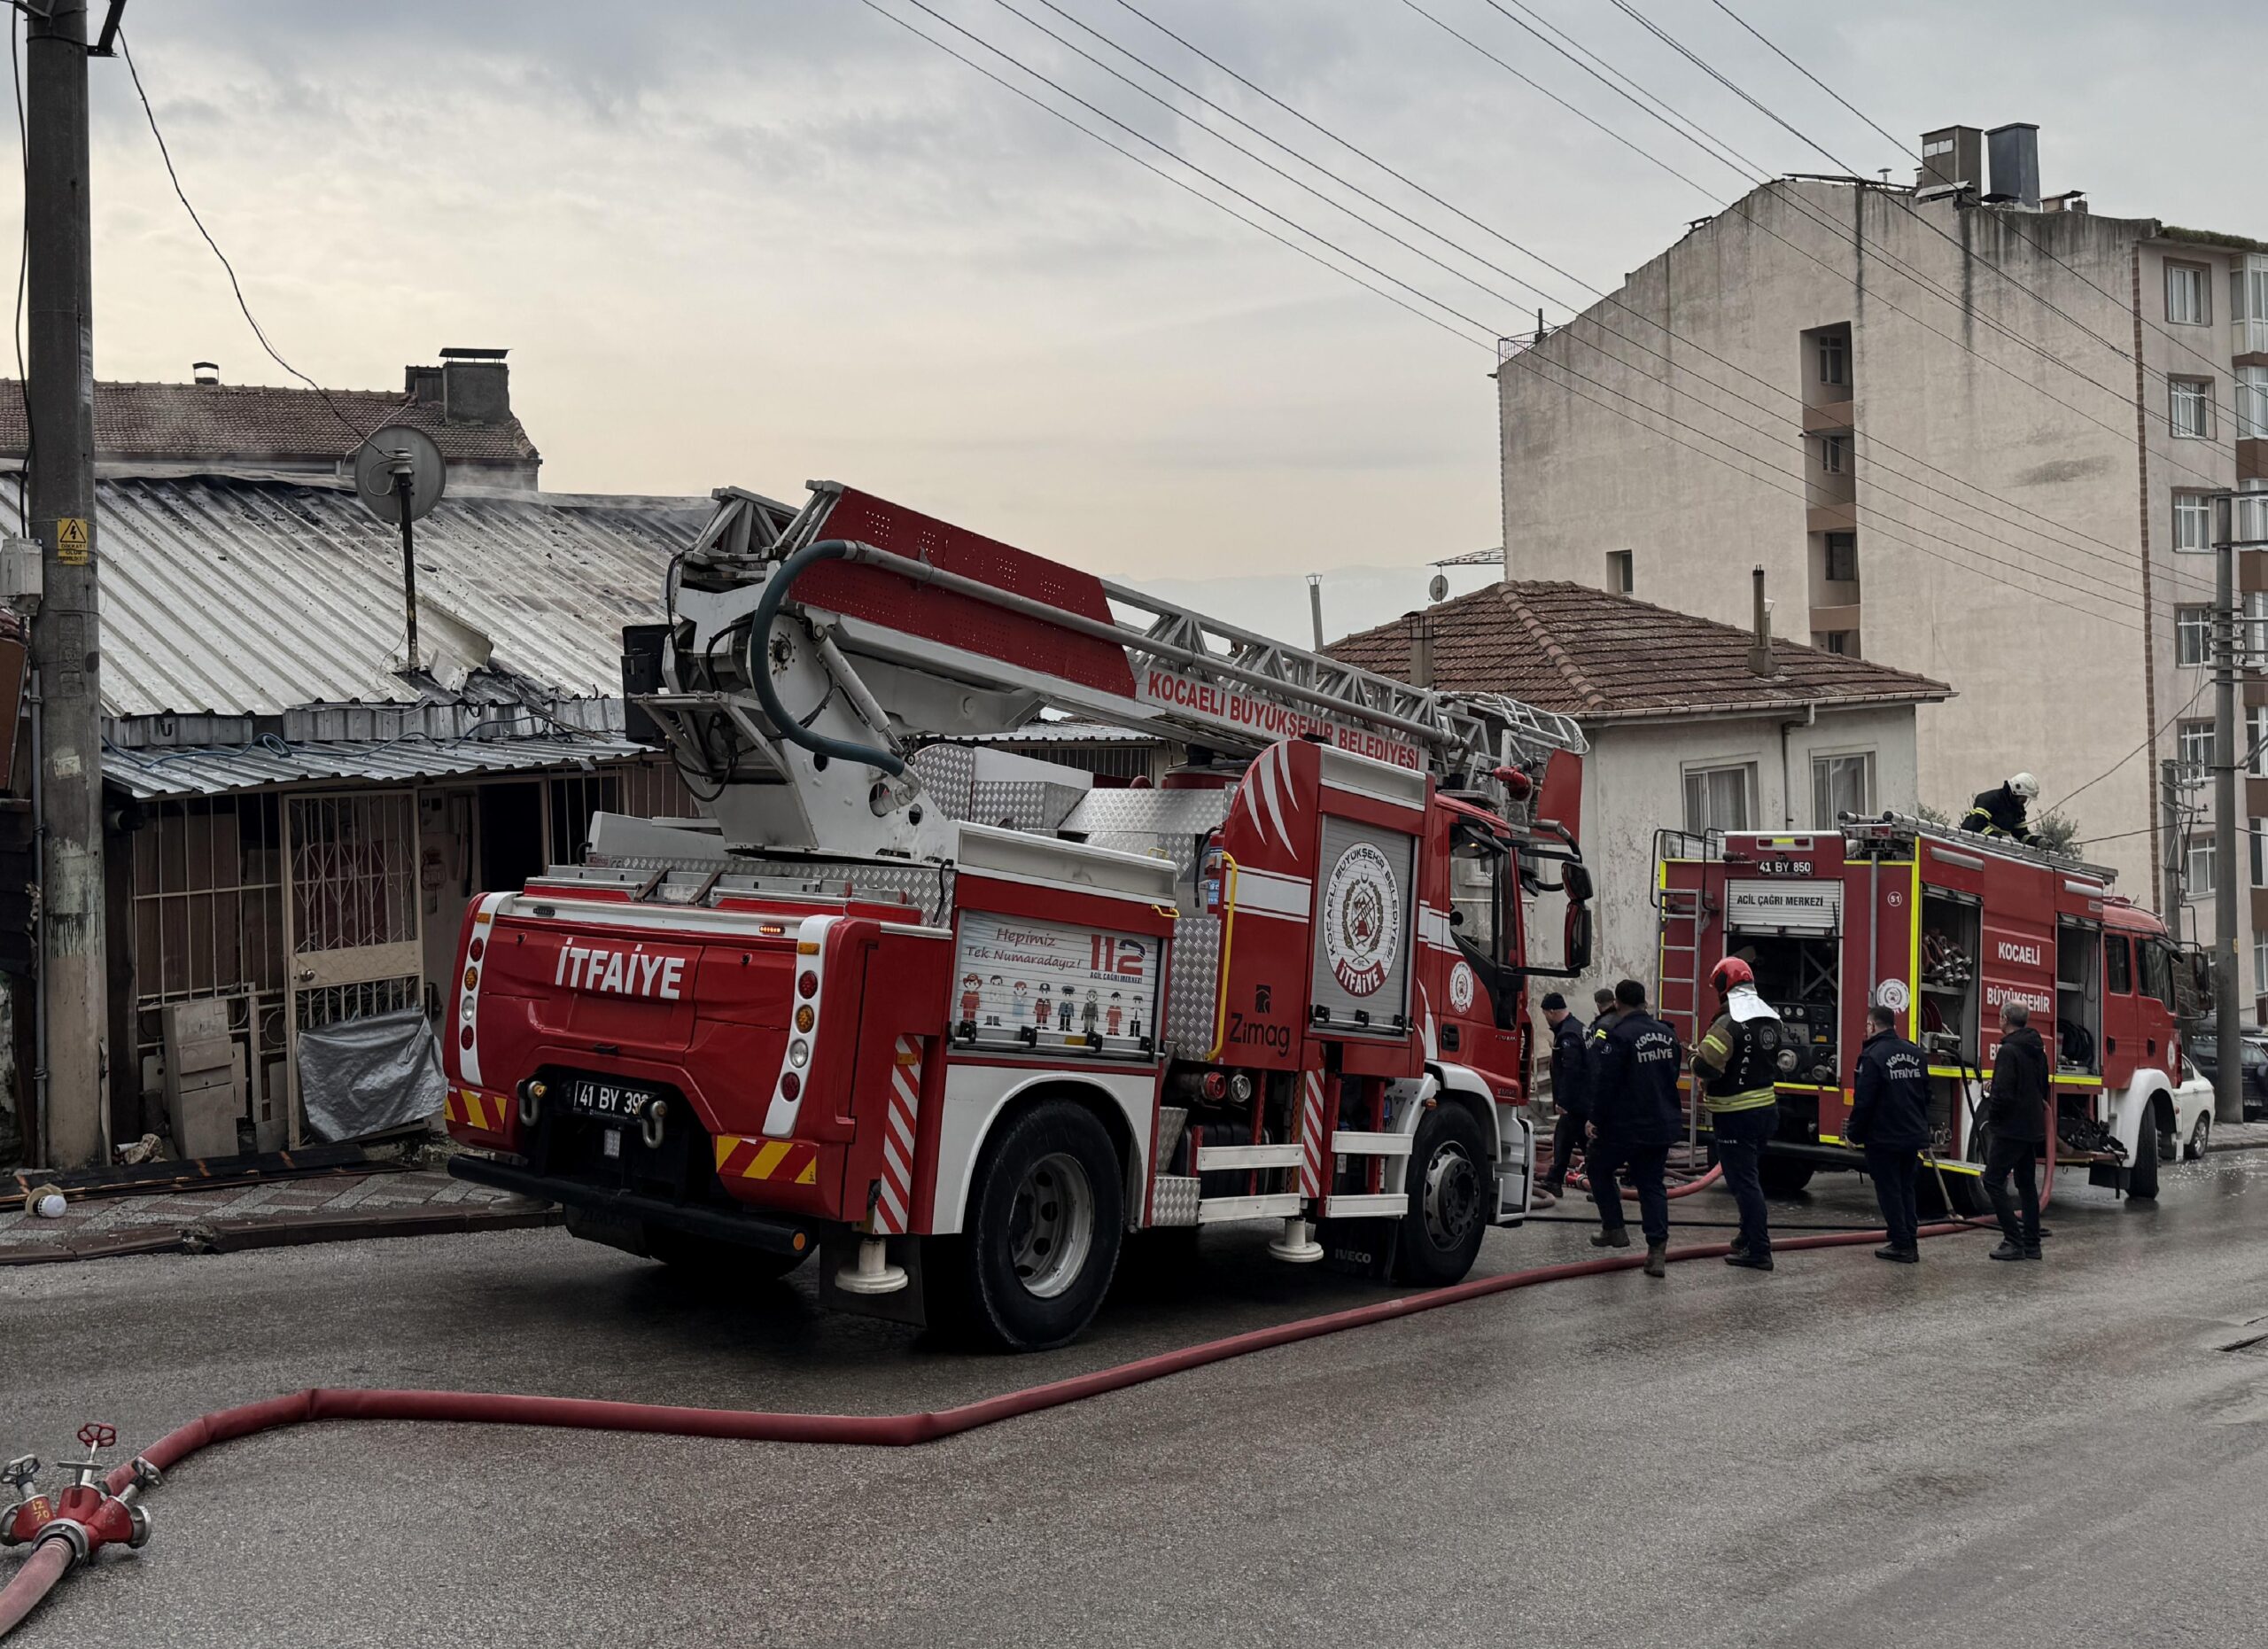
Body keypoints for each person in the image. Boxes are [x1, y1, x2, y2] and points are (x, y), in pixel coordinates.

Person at [1689, 958, 1788, 1272]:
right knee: (1750, 1177)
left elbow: (1707, 1066)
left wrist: (1694, 1058)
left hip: (1735, 1114)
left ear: (1723, 985)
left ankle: (1759, 1249)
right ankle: (1746, 1237)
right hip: (1766, 1111)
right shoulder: (1771, 1017)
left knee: (1744, 1183)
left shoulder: (1728, 1022)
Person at [1584, 978, 1683, 1279]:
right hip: (1660, 1123)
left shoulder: (1619, 1035)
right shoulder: (1668, 1035)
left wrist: (1595, 1119)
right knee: (1652, 1185)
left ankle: (1614, 1228)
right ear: (1644, 1002)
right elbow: (1673, 1074)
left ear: (1617, 1003)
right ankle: (1656, 1252)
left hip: (1625, 1125)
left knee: (1597, 1168)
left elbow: (1607, 1082)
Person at [1847, 1004, 1930, 1263]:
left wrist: (1854, 1134)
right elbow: (1926, 1095)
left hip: (1884, 1137)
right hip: (1912, 1134)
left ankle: (1901, 1244)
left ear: (1872, 1026)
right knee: (1906, 1188)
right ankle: (1910, 1241)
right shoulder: (1915, 1053)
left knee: (1889, 1190)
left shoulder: (1873, 1056)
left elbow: (1864, 1101)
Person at [1982, 1000, 2048, 1261]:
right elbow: (2040, 1087)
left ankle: (2012, 1240)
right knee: (2026, 1184)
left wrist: (1993, 1115)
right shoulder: (2037, 1050)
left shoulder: (2009, 1051)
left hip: (2011, 1128)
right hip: (2031, 1126)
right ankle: (2032, 1244)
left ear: (2005, 1018)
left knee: (1992, 1181)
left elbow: (2004, 1095)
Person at [1538, 992, 1588, 1197]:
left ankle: (1605, 1184)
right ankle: (1554, 1180)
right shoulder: (1578, 1027)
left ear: (1551, 1011)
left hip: (1576, 1102)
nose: (1546, 1019)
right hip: (1581, 1100)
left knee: (1583, 1143)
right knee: (1564, 1140)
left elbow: (1571, 1071)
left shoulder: (1568, 1035)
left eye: (1545, 1014)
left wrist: (1564, 1101)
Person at [1961, 773, 2040, 844]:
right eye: (2023, 797)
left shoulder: (2017, 809)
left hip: (1994, 847)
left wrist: (2037, 841)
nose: (2025, 800)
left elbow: (2021, 834)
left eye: (2026, 797)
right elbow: (1974, 826)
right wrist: (2000, 838)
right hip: (1973, 844)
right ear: (2015, 792)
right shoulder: (1990, 800)